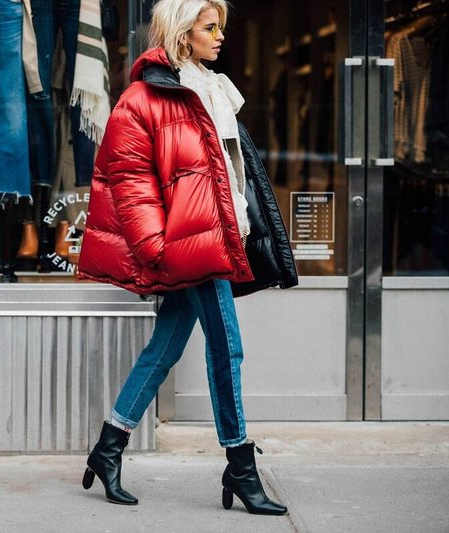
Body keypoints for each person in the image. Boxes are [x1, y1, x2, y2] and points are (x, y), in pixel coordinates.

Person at [77, 0, 290, 515]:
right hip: (187, 246)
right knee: (227, 350)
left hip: (214, 239)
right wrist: (158, 248)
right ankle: (240, 466)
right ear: (181, 31)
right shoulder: (143, 98)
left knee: (165, 349)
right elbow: (127, 180)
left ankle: (109, 448)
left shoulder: (210, 88)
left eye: (221, 27)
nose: (220, 37)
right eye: (209, 27)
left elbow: (232, 173)